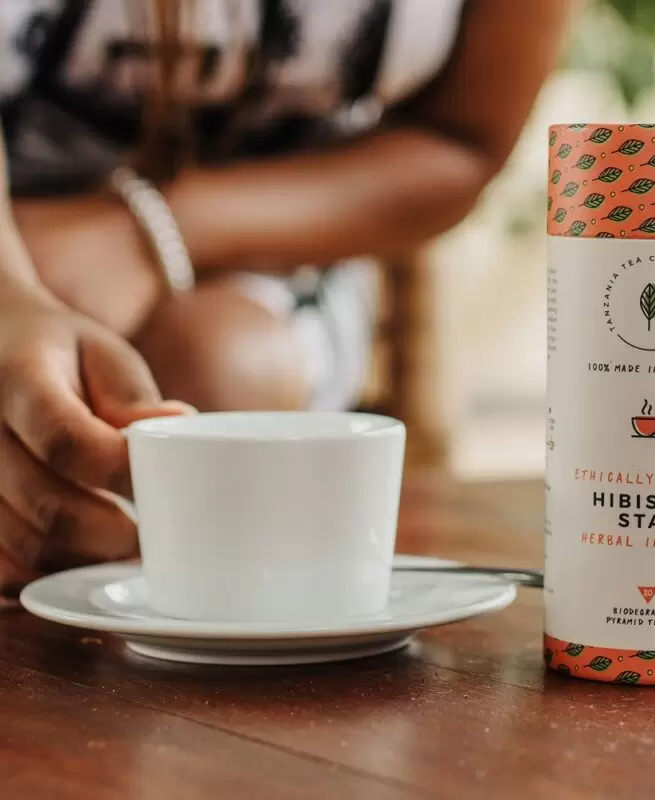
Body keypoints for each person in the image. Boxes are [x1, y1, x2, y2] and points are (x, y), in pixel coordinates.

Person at [0, 0, 570, 593]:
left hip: (281, 234)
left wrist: (143, 232)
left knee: (230, 371)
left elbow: (463, 139)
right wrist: (12, 294)